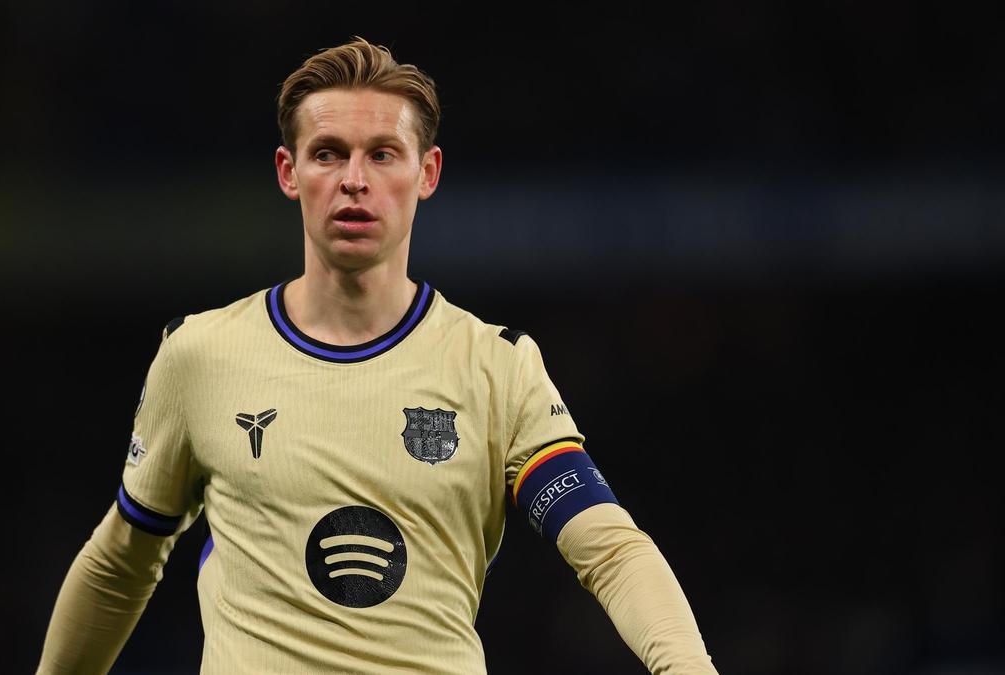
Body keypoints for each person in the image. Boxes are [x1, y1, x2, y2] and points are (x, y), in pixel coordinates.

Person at [37, 37, 718, 674]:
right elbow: (122, 562)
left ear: (427, 172)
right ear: (289, 171)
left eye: (382, 154)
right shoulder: (201, 355)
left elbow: (609, 549)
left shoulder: (495, 366)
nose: (353, 179)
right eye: (328, 152)